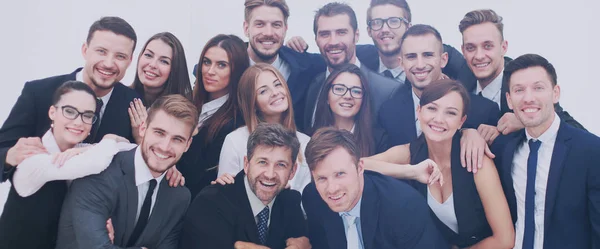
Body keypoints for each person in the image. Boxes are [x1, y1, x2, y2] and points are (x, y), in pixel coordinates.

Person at [364, 79, 515, 248]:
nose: (439, 119)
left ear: (461, 121)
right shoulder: (409, 153)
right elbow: (357, 166)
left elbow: (505, 239)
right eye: (432, 108)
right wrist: (410, 171)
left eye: (450, 113)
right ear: (419, 111)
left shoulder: (477, 161)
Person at [0, 16, 140, 185]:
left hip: (94, 210)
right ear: (85, 50)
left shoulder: (134, 105)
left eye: (120, 56)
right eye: (101, 51)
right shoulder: (38, 92)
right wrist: (9, 156)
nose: (109, 63)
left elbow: (133, 172)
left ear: (130, 61)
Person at [0, 81, 132, 249]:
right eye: (70, 111)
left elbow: (129, 147)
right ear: (52, 112)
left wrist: (89, 149)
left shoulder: (79, 151)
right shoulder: (33, 158)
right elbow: (95, 162)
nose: (78, 122)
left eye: (87, 115)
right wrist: (109, 139)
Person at [56, 94, 197, 249]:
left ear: (188, 145)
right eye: (159, 133)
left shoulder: (179, 197)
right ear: (143, 128)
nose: (165, 146)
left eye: (177, 139)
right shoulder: (97, 174)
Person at [491, 54, 600, 249]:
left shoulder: (591, 151)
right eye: (519, 90)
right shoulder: (503, 149)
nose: (528, 98)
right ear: (509, 99)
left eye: (538, 88)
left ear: (555, 93)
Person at [378, 24, 499, 172]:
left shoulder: (483, 111)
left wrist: (469, 131)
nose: (420, 64)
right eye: (411, 57)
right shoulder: (388, 112)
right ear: (401, 63)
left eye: (428, 55)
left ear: (443, 59)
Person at [302, 127, 447, 248]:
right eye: (321, 178)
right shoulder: (313, 198)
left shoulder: (403, 206)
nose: (332, 188)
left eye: (340, 174)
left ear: (360, 168)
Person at [286, 0, 476, 90]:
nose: (385, 29)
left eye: (394, 21)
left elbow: (476, 66)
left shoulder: (436, 55)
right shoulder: (362, 55)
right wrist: (293, 50)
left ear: (408, 26)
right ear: (368, 31)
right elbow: (327, 55)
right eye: (377, 22)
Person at [193, 0, 326, 130]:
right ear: (246, 28)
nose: (268, 33)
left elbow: (337, 61)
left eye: (276, 25)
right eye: (260, 24)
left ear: (285, 29)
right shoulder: (227, 63)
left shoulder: (306, 65)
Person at [458, 9, 585, 143]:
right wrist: (465, 131)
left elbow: (580, 135)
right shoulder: (461, 75)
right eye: (471, 48)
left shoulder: (525, 78)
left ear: (504, 47)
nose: (479, 56)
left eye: (488, 46)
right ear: (463, 51)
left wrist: (527, 121)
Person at [181, 123, 310, 249]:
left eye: (281, 165)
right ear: (246, 164)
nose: (270, 174)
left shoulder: (290, 202)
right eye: (263, 162)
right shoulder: (211, 203)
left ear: (292, 171)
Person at [304, 2, 401, 132]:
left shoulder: (388, 91)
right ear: (316, 39)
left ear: (356, 36)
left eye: (341, 32)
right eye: (325, 34)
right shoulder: (314, 84)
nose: (333, 42)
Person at [217, 63, 311, 193]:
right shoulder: (235, 140)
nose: (275, 93)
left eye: (277, 84)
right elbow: (225, 193)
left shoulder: (306, 143)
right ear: (253, 103)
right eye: (263, 91)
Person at [178, 34, 249, 198]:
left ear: (236, 70)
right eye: (206, 62)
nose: (210, 71)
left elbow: (200, 175)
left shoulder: (235, 122)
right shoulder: (188, 103)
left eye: (221, 65)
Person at [128, 32, 193, 144]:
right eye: (148, 55)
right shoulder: (123, 96)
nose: (153, 65)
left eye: (164, 61)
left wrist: (141, 138)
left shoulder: (182, 114)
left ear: (174, 69)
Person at [313, 63, 388, 155]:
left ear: (363, 99)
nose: (348, 96)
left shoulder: (378, 139)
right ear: (327, 97)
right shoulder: (311, 136)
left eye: (356, 91)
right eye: (339, 89)